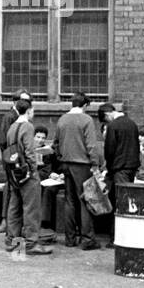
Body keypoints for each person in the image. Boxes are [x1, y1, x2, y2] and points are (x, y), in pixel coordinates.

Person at [55, 91, 103, 250]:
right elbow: (91, 145)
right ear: (85, 105)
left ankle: (70, 238)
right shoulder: (87, 120)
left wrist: (61, 158)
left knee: (69, 201)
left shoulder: (62, 119)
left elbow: (56, 143)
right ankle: (87, 239)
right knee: (86, 200)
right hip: (82, 165)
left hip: (65, 164)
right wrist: (95, 164)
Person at [3, 98, 52, 255]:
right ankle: (31, 244)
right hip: (27, 173)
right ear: (29, 110)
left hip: (14, 172)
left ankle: (13, 241)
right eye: (33, 110)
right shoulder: (28, 127)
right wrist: (33, 170)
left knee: (14, 207)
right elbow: (30, 151)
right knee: (31, 209)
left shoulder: (12, 127)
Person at [0, 90, 31, 232]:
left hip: (18, 161)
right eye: (24, 101)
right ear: (15, 102)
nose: (27, 104)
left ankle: (13, 227)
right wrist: (12, 159)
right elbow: (4, 142)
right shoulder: (9, 117)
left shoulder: (23, 117)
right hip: (13, 162)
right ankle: (6, 222)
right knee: (11, 190)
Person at [99, 102, 140, 213]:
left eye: (106, 121)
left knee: (122, 200)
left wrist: (109, 168)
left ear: (107, 114)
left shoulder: (113, 126)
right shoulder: (132, 123)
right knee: (127, 196)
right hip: (132, 167)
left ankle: (119, 222)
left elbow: (109, 150)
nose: (107, 123)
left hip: (119, 168)